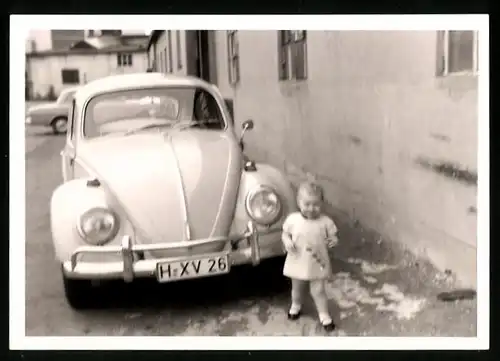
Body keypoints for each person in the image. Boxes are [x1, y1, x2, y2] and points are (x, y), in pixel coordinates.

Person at [281, 180, 339, 331]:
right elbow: (285, 233)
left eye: (316, 204)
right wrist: (287, 241)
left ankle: (324, 315)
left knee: (318, 290)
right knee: (297, 287)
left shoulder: (325, 222)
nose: (311, 209)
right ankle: (296, 305)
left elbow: (333, 237)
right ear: (299, 202)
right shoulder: (293, 220)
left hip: (317, 261)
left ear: (322, 204)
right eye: (307, 204)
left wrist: (333, 241)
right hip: (298, 259)